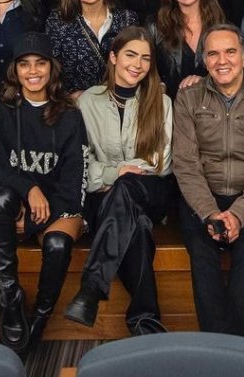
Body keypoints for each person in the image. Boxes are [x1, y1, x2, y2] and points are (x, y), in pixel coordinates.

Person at [0, 32, 86, 351]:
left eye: (40, 63)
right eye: (24, 64)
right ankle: (11, 298)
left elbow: (75, 183)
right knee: (0, 197)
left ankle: (39, 319)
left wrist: (35, 220)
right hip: (10, 210)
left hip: (53, 210)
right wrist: (29, 186)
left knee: (58, 243)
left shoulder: (69, 115)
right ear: (15, 70)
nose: (33, 71)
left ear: (51, 68)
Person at [172, 24, 244, 336]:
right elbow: (185, 164)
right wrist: (211, 213)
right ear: (205, 61)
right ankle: (219, 346)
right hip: (204, 195)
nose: (222, 60)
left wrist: (238, 214)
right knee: (201, 250)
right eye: (213, 53)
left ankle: (232, 345)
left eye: (230, 51)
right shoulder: (188, 99)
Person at [64, 27, 176, 336]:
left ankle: (92, 287)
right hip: (104, 196)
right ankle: (145, 323)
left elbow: (161, 161)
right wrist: (117, 173)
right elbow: (81, 163)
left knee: (128, 190)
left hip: (151, 191)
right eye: (130, 55)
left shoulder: (161, 102)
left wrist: (119, 173)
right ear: (113, 57)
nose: (137, 65)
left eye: (145, 58)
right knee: (135, 227)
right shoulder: (89, 101)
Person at [45, 0, 138, 95]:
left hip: (119, 103)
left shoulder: (127, 19)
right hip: (76, 107)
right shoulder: (58, 21)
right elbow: (51, 71)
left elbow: (138, 64)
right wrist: (67, 98)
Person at [149, 0, 226, 98]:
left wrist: (206, 83)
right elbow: (145, 71)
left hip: (213, 112)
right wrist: (159, 87)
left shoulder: (223, 25)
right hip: (168, 111)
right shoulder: (155, 27)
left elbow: (234, 74)